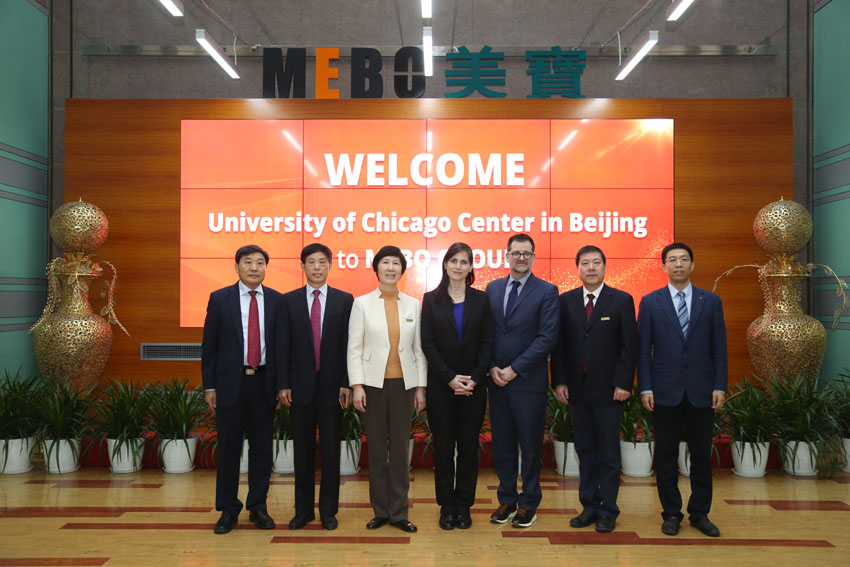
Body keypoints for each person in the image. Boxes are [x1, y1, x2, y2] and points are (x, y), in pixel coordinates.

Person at [637, 242, 728, 538]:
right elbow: (643, 350)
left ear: (692, 265)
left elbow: (719, 348)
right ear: (664, 266)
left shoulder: (710, 301)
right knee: (665, 455)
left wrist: (720, 385)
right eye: (672, 260)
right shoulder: (651, 302)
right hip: (664, 390)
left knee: (701, 455)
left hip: (702, 389)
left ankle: (700, 513)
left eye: (684, 259)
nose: (678, 264)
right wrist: (645, 387)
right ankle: (671, 513)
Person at [551, 245, 638, 533]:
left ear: (604, 267)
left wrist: (624, 383)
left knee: (609, 454)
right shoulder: (565, 301)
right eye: (585, 263)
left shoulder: (621, 300)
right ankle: (589, 506)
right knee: (585, 450)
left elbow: (629, 347)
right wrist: (559, 381)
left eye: (596, 262)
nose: (591, 267)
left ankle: (608, 510)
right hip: (577, 391)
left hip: (610, 391)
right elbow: (559, 346)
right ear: (577, 268)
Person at [201, 244, 284, 534]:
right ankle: (228, 509)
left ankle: (258, 507)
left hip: (263, 384)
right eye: (248, 262)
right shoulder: (219, 299)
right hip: (230, 384)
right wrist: (210, 386)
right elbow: (209, 346)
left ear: (266, 268)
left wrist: (280, 385)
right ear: (236, 266)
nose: (254, 268)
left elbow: (281, 348)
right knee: (228, 450)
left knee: (262, 450)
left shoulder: (277, 300)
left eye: (260, 262)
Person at [347, 245, 427, 533]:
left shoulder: (413, 305)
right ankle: (380, 511)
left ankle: (399, 512)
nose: (391, 268)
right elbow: (354, 349)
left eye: (396, 263)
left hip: (404, 386)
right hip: (372, 385)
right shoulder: (362, 304)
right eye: (385, 263)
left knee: (400, 450)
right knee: (378, 451)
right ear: (377, 268)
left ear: (402, 270)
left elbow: (418, 350)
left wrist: (421, 387)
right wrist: (357, 385)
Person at [484, 233, 559, 528]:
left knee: (529, 447)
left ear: (534, 257)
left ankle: (528, 503)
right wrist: (492, 367)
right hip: (497, 383)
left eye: (527, 253)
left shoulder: (547, 291)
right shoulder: (492, 288)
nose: (521, 258)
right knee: (502, 446)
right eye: (516, 253)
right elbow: (486, 334)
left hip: (527, 383)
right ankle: (507, 500)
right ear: (507, 256)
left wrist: (514, 369)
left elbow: (547, 338)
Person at [278, 243, 354, 531]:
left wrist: (347, 382)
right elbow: (282, 346)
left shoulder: (344, 300)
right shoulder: (288, 301)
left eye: (322, 262)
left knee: (331, 453)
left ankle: (328, 512)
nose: (317, 267)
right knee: (303, 453)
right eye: (311, 262)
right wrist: (283, 383)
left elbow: (349, 346)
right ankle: (303, 511)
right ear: (303, 267)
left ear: (330, 266)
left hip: (333, 390)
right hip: (300, 389)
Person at [421, 242, 493, 531]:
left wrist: (474, 378)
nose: (458, 266)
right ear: (445, 264)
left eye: (464, 262)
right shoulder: (430, 300)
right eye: (453, 261)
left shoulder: (481, 300)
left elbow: (487, 342)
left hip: (473, 387)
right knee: (443, 449)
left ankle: (463, 505)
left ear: (471, 267)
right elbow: (428, 344)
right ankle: (446, 506)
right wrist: (450, 378)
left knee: (468, 448)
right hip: (442, 387)